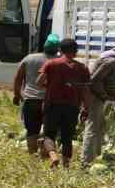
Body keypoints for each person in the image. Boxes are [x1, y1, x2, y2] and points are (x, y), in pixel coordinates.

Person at [37, 38, 91, 168]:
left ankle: (54, 157)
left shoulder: (51, 64)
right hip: (72, 106)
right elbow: (85, 91)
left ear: (60, 50)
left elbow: (39, 81)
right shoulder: (82, 68)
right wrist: (86, 108)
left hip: (53, 104)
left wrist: (49, 86)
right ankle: (66, 165)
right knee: (67, 137)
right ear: (76, 51)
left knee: (49, 135)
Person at [12, 34, 60, 154]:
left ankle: (32, 156)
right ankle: (45, 155)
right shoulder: (59, 62)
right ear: (57, 48)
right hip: (51, 102)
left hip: (31, 100)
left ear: (44, 46)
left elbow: (18, 79)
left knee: (32, 131)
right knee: (48, 131)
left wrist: (17, 95)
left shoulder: (29, 58)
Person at [81, 46, 115, 166]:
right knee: (93, 128)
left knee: (99, 127)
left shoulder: (108, 59)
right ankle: (86, 162)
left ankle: (95, 156)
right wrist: (105, 96)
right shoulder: (111, 61)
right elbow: (94, 80)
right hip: (95, 97)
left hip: (97, 96)